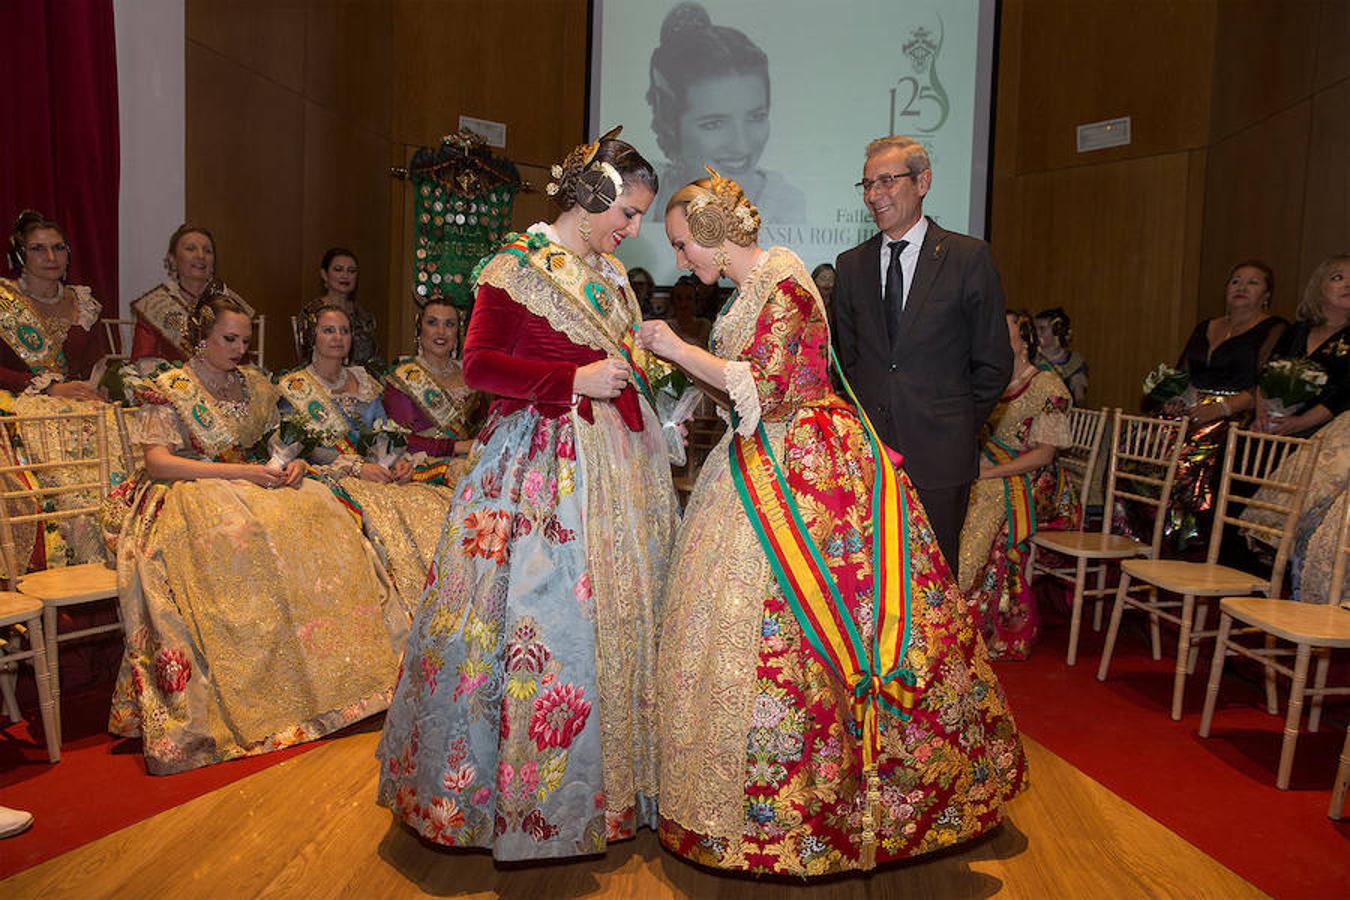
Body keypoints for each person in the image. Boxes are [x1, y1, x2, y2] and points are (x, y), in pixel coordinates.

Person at [639, 171, 1025, 876]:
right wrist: (683, 385)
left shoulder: (786, 284)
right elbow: (734, 389)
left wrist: (673, 347)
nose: (680, 259)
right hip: (756, 457)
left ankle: (833, 804)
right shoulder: (750, 290)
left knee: (819, 627)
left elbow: (762, 384)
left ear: (719, 236)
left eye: (684, 243)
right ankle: (731, 799)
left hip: (807, 468)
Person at [375, 129, 678, 859]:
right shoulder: (513, 268)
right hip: (541, 468)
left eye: (638, 217)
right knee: (539, 627)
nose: (633, 230)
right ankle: (508, 804)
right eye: (627, 213)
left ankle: (616, 790)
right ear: (593, 195)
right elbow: (479, 365)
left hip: (618, 461)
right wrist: (568, 381)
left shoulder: (609, 272)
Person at [109, 293, 407, 774]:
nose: (240, 349)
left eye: (245, 340)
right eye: (229, 339)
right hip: (188, 491)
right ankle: (252, 686)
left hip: (254, 484)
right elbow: (158, 462)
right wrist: (240, 476)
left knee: (321, 516)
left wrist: (297, 465)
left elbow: (285, 445)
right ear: (199, 337)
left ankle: (332, 677)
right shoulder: (166, 386)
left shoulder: (255, 385)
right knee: (239, 536)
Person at [833, 135, 1013, 570]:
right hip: (870, 457)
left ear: (923, 181)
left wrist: (954, 422)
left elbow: (994, 361)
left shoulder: (967, 258)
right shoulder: (851, 264)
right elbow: (846, 360)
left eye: (887, 181)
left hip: (940, 458)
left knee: (934, 583)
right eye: (867, 185)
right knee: (870, 578)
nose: (875, 195)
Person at [278, 305, 459, 608]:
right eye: (328, 330)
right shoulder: (295, 388)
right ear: (312, 337)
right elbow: (297, 444)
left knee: (425, 503)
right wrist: (357, 467)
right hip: (330, 475)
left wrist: (396, 461)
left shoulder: (364, 382)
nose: (338, 337)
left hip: (375, 476)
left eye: (344, 331)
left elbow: (382, 432)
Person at [959, 311, 1079, 660]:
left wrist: (988, 472)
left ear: (1024, 341)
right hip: (992, 471)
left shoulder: (1048, 386)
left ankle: (959, 605)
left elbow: (1044, 456)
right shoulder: (986, 382)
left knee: (986, 496)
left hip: (1036, 483)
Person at [1159, 260, 1287, 553]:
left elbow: (1269, 383)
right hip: (1192, 411)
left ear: (1267, 294)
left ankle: (1191, 546)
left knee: (1189, 465)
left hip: (1236, 416)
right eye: (1235, 281)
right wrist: (1177, 398)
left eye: (1252, 283)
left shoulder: (1275, 329)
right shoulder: (1206, 325)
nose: (1242, 287)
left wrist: (1223, 408)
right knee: (1141, 449)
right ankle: (1147, 541)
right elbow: (1183, 374)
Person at [647, 2, 805, 224]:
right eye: (714, 124)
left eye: (755, 117)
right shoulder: (642, 194)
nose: (741, 145)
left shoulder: (785, 207)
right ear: (671, 125)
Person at [0, 210, 104, 397]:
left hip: (75, 407)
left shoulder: (83, 303)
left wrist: (99, 389)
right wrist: (48, 389)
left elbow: (95, 366)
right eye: (37, 248)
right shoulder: (4, 300)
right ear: (20, 256)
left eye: (58, 248)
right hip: (13, 409)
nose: (51, 257)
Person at [381, 296, 484, 481]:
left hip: (471, 467)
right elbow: (398, 440)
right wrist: (455, 447)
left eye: (449, 324)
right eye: (432, 323)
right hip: (420, 469)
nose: (441, 331)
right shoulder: (402, 378)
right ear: (420, 330)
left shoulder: (472, 378)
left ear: (458, 332)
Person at [129, 224, 253, 369]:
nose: (200, 256)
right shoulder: (154, 305)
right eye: (190, 249)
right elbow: (143, 362)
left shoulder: (230, 304)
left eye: (207, 251)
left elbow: (243, 362)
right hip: (174, 387)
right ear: (173, 260)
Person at [1254, 254, 1350, 437]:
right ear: (1319, 287)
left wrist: (1299, 423)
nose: (1348, 284)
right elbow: (1266, 375)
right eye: (1338, 277)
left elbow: (1344, 395)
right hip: (1274, 429)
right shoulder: (1297, 330)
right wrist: (1263, 416)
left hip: (1328, 437)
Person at [298, 247, 380, 367]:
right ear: (324, 274)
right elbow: (308, 356)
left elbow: (374, 356)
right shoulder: (312, 312)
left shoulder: (364, 315)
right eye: (338, 270)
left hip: (363, 380)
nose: (345, 275)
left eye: (351, 271)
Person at [1034, 307, 1088, 406]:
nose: (1037, 333)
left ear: (1057, 331)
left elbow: (1079, 397)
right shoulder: (1030, 358)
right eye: (1035, 329)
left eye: (1042, 328)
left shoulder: (1074, 362)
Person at [667, 275, 711, 347]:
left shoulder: (704, 325)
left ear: (696, 302)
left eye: (689, 298)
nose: (683, 304)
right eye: (679, 298)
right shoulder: (666, 326)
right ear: (673, 301)